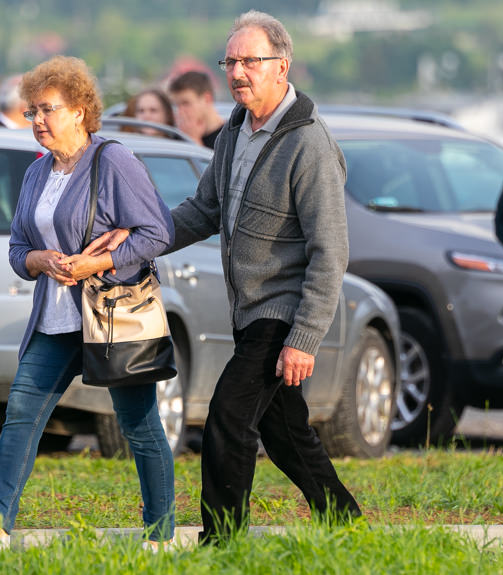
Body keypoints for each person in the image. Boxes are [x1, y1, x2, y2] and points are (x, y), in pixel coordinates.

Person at [100, 10, 362, 544]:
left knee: (226, 416)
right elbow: (202, 211)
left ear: (282, 66)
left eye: (251, 61)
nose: (238, 71)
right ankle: (348, 525)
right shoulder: (234, 132)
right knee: (285, 433)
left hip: (281, 315)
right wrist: (129, 244)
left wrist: (304, 338)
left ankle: (221, 546)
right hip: (248, 315)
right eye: (231, 61)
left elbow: (330, 251)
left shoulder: (308, 142)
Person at [0, 55, 176, 553]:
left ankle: (160, 536)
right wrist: (39, 260)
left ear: (79, 111)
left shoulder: (113, 161)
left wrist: (100, 263)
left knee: (139, 427)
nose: (38, 121)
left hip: (111, 320)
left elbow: (159, 231)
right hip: (54, 320)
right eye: (32, 112)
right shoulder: (36, 174)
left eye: (48, 109)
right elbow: (15, 249)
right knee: (21, 416)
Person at [168, 71, 225, 148]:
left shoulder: (230, 137)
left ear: (207, 99)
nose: (180, 111)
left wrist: (193, 140)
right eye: (176, 105)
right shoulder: (177, 135)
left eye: (186, 103)